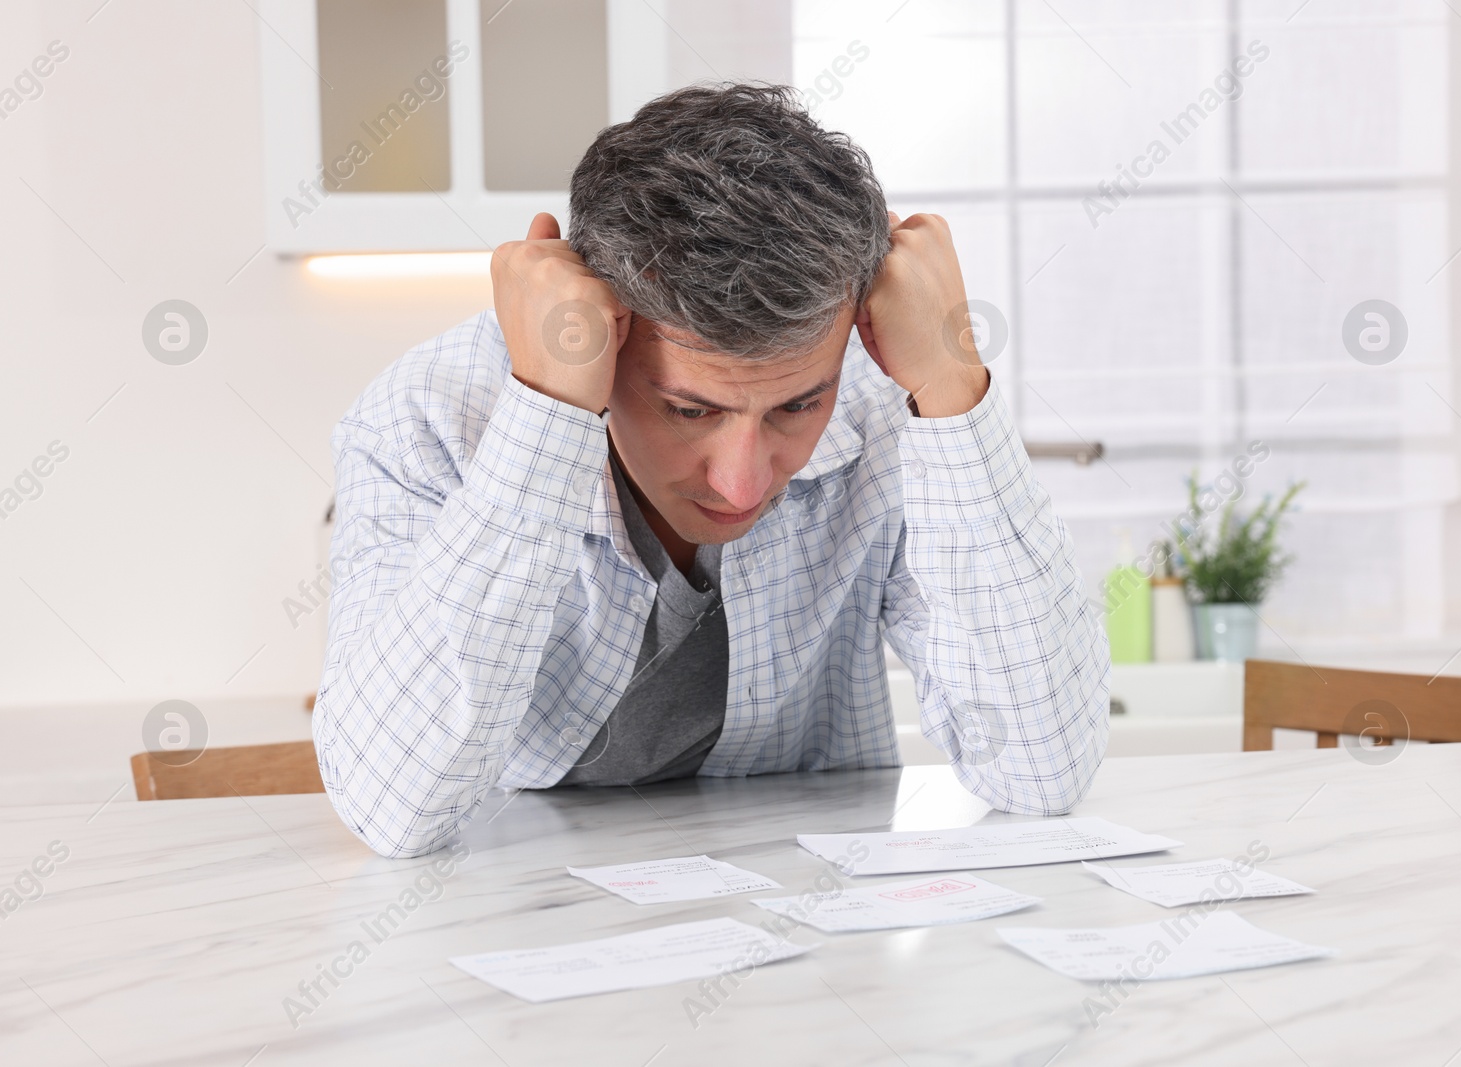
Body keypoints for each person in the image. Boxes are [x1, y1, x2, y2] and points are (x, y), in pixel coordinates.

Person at [313, 83, 1108, 858]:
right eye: (690, 411)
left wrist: (951, 384)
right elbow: (394, 809)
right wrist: (548, 411)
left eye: (798, 405)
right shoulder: (428, 417)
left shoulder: (890, 405)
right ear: (605, 325)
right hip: (519, 919)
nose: (741, 483)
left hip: (811, 922)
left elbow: (1040, 771)